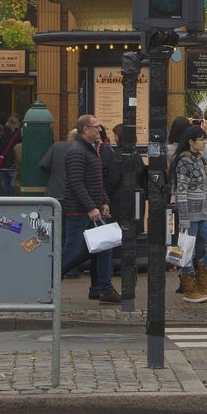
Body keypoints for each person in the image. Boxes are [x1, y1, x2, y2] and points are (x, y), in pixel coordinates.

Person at [44, 115, 120, 304]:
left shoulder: (89, 150)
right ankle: (48, 286)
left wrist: (104, 201)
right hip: (81, 211)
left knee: (103, 248)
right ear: (86, 129)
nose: (100, 130)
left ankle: (102, 288)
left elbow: (95, 181)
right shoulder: (78, 152)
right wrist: (91, 207)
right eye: (96, 127)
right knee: (73, 251)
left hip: (90, 209)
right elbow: (76, 183)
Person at [171, 125, 207, 304]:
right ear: (191, 142)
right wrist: (183, 218)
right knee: (186, 251)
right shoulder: (184, 161)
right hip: (190, 213)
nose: (204, 142)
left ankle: (202, 281)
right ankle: (189, 287)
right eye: (201, 139)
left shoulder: (200, 158)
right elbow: (181, 191)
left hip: (203, 211)